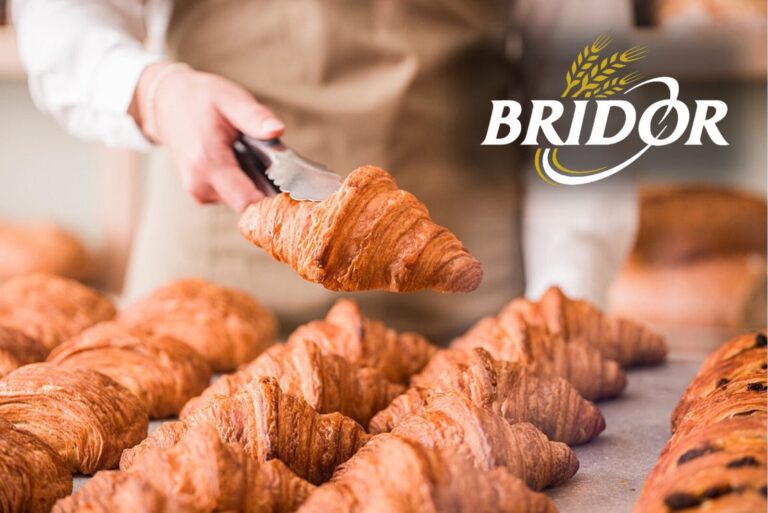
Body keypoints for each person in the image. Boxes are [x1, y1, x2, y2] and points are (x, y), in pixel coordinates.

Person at [11, 0, 637, 341]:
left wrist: (563, 303)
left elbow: (589, 83)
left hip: (467, 332)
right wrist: (153, 92)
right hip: (198, 320)